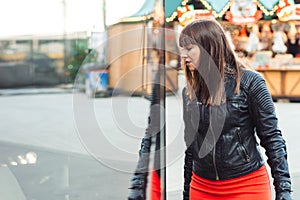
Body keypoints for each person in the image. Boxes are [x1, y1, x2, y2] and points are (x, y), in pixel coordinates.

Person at [179, 19, 292, 200]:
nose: (183, 55)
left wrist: (284, 190)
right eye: (181, 48)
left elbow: (272, 138)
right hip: (201, 186)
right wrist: (187, 192)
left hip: (246, 185)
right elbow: (191, 147)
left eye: (189, 48)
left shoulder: (250, 83)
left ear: (209, 47)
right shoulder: (190, 92)